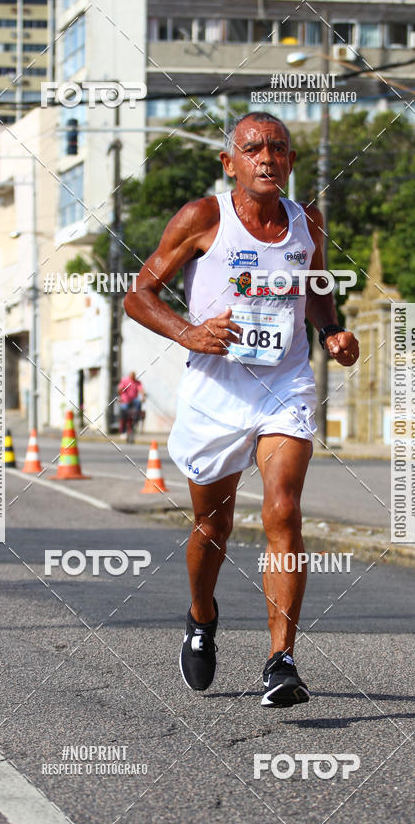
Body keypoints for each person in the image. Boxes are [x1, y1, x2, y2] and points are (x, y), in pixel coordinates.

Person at [124, 112, 359, 707]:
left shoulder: (307, 222)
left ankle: (281, 661)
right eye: (252, 148)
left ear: (290, 162)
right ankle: (202, 615)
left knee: (283, 510)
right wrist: (188, 332)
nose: (266, 158)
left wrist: (333, 332)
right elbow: (138, 293)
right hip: (216, 390)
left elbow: (318, 289)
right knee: (214, 526)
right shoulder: (204, 218)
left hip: (284, 382)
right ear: (229, 163)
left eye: (277, 149)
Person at [117, 371, 144, 437]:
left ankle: (137, 418)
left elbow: (141, 390)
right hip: (125, 399)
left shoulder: (137, 382)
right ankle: (123, 430)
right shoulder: (124, 381)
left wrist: (143, 396)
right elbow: (119, 389)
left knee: (138, 403)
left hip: (134, 400)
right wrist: (120, 396)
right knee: (124, 410)